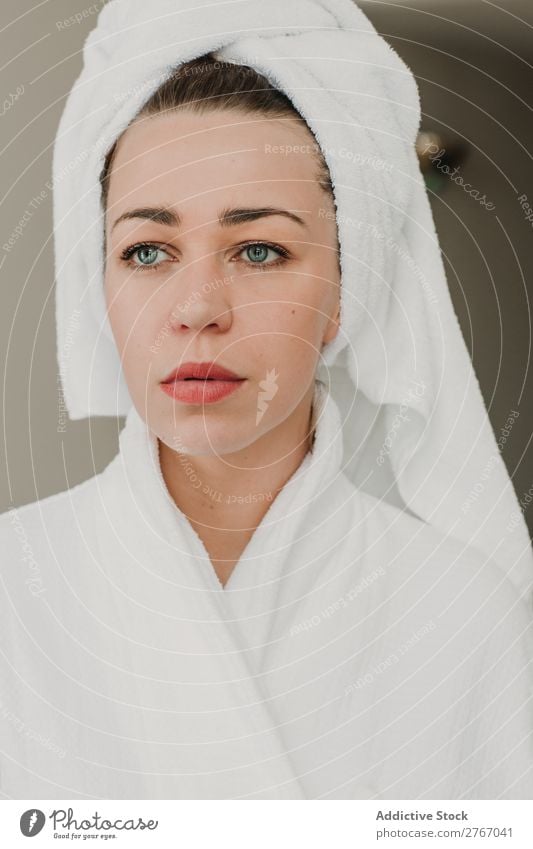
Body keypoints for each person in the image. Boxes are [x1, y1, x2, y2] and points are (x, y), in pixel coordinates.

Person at [1, 0, 532, 800]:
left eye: (259, 249)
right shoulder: (17, 591)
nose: (195, 306)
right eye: (146, 250)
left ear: (349, 288)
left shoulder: (463, 617)